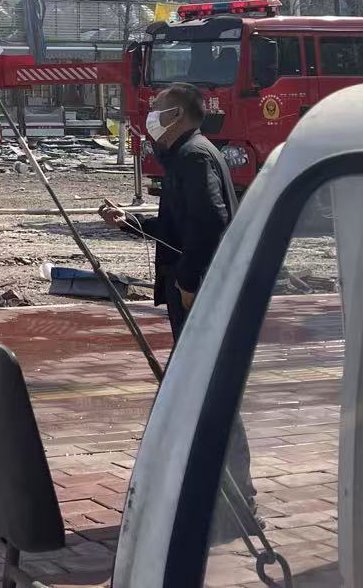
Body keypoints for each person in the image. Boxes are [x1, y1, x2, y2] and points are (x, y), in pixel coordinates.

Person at [99, 81, 257, 530]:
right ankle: (215, 498)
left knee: (206, 395)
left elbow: (211, 223)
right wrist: (130, 222)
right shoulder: (188, 155)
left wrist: (187, 281)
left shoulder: (194, 157)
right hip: (197, 290)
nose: (150, 116)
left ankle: (235, 502)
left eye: (158, 109)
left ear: (180, 115)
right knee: (198, 393)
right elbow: (177, 226)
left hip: (200, 293)